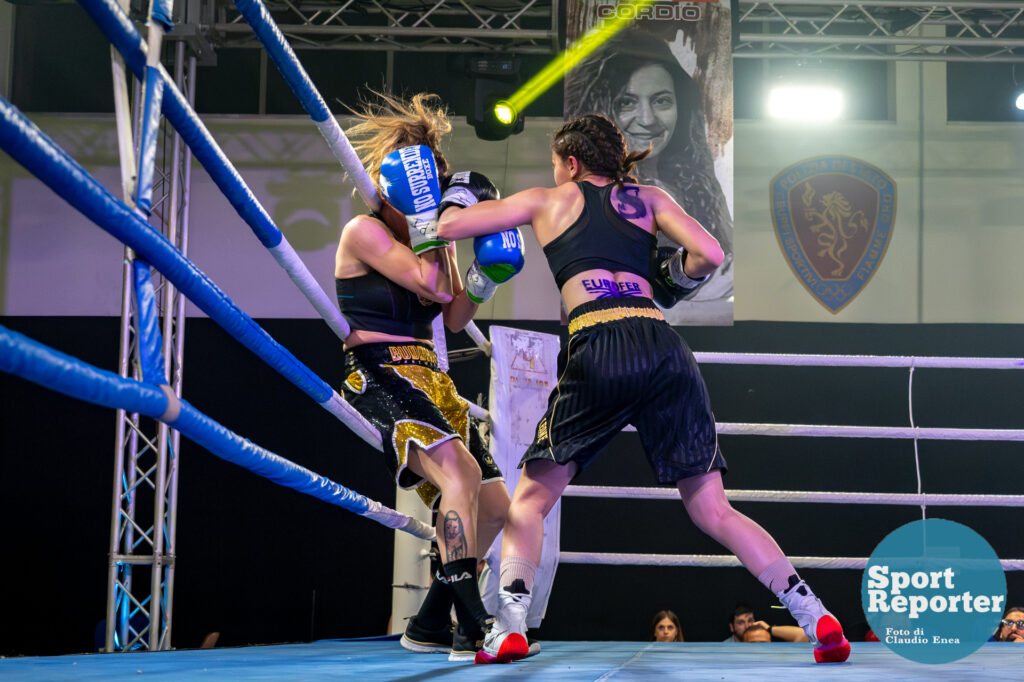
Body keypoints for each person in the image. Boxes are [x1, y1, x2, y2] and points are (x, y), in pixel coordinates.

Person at [437, 113, 850, 665]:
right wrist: (670, 278)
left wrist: (454, 196)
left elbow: (446, 230)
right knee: (714, 511)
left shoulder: (547, 200)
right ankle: (816, 615)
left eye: (558, 164)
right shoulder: (648, 199)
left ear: (573, 162)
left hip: (599, 340)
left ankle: (509, 626)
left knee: (530, 501)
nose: (555, 172)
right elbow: (709, 254)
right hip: (663, 348)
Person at [336, 91, 522, 661]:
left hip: (430, 375)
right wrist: (431, 229)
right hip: (381, 369)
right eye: (427, 187)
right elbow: (433, 286)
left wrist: (486, 277)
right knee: (459, 478)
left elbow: (455, 309)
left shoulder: (430, 238)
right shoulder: (364, 233)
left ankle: (427, 624)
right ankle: (476, 627)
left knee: (493, 507)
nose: (436, 198)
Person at [565, 28, 733, 301]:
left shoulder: (698, 188)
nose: (647, 119)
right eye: (627, 103)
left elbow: (712, 258)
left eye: (661, 100)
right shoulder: (598, 199)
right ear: (602, 110)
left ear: (682, 106)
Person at [724, 603, 808, 643]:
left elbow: (804, 635)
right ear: (732, 627)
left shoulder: (763, 636)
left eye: (750, 621)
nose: (747, 626)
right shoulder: (724, 649)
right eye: (741, 622)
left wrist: (769, 629)